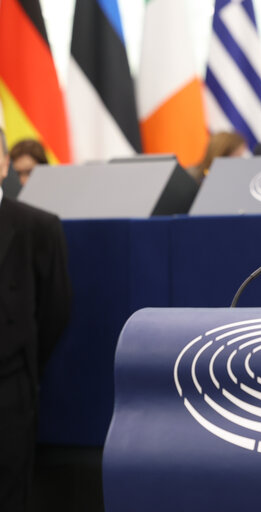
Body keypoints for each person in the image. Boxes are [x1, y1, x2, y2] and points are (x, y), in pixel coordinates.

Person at [0, 127, 71, 511]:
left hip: (9, 389)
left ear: (4, 163)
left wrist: (23, 364)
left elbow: (55, 308)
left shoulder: (38, 227)